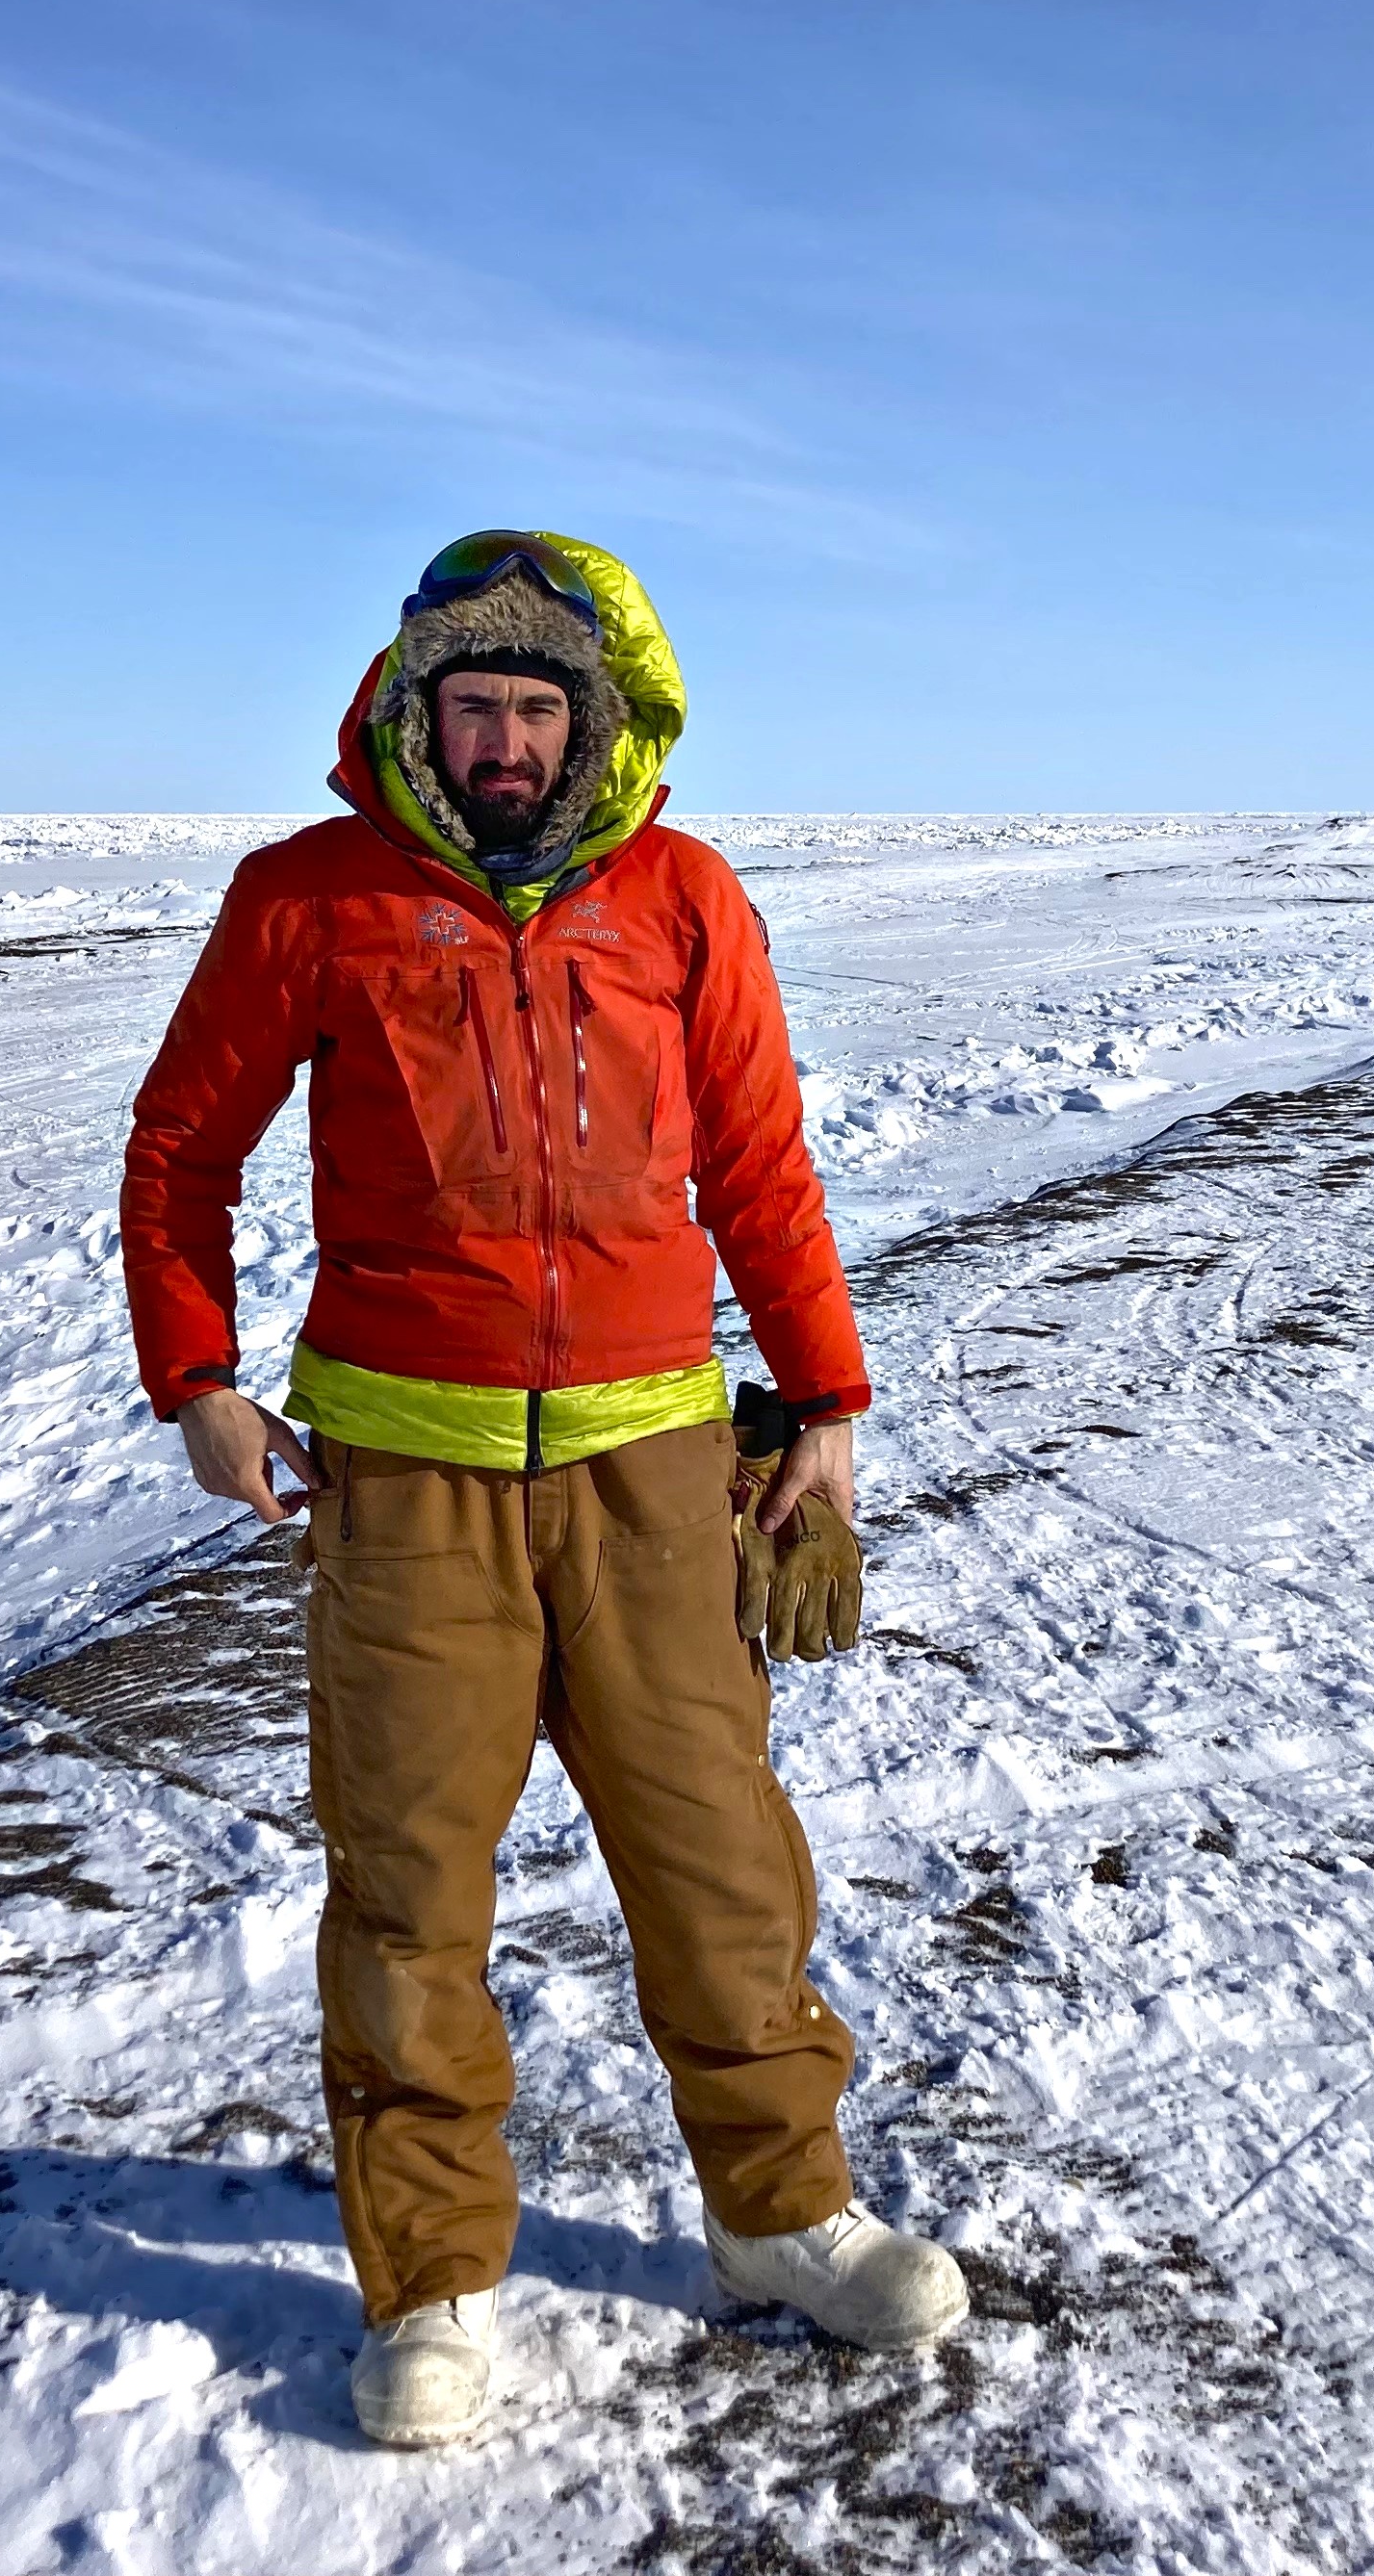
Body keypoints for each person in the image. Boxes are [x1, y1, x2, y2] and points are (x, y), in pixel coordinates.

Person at [120, 530, 967, 2448]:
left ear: (593, 722)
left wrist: (823, 1392)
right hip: (408, 1486)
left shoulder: (679, 901)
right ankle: (431, 2288)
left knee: (719, 1862)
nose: (500, 740)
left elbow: (761, 1158)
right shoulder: (308, 902)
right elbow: (181, 1146)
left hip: (660, 1472)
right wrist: (198, 1378)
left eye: (531, 706)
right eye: (468, 705)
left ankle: (782, 2214)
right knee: (411, 1889)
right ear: (410, 713)